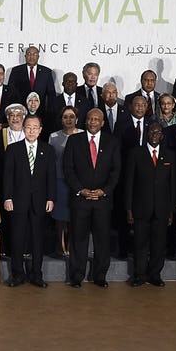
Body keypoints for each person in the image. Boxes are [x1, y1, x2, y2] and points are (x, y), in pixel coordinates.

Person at [63, 108, 120, 287]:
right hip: (80, 199)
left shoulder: (113, 142)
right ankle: (76, 276)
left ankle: (100, 276)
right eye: (90, 119)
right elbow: (68, 169)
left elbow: (116, 170)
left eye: (97, 119)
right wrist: (81, 190)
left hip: (103, 200)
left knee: (102, 240)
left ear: (103, 123)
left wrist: (105, 190)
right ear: (85, 121)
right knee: (78, 239)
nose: (93, 122)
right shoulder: (74, 140)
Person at [1, 114, 54, 287]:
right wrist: (7, 197)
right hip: (18, 201)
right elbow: (7, 176)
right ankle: (17, 274)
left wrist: (51, 198)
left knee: (38, 239)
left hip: (39, 202)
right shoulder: (13, 149)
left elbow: (50, 177)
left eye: (34, 127)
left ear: (40, 130)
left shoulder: (47, 150)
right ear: (23, 129)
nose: (31, 131)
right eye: (28, 127)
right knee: (17, 237)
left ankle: (37, 274)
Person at [123, 122, 175, 287]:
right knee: (140, 243)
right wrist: (129, 208)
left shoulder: (169, 155)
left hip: (162, 209)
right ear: (147, 134)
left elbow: (172, 185)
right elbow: (129, 183)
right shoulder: (135, 153)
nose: (154, 134)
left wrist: (171, 210)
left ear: (162, 136)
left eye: (158, 132)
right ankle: (139, 275)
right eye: (152, 131)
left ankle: (155, 275)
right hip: (140, 208)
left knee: (159, 244)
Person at [48, 106, 80, 257]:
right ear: (61, 119)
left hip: (77, 182)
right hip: (59, 180)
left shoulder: (82, 134)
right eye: (65, 116)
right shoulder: (53, 137)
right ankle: (60, 248)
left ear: (77, 119)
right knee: (60, 217)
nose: (69, 119)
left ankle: (73, 247)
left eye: (72, 116)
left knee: (75, 216)